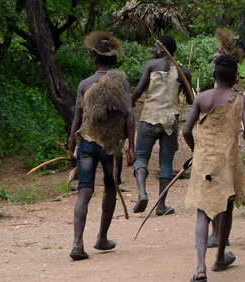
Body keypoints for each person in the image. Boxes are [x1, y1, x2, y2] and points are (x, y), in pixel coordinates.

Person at [183, 54, 245, 282]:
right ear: (235, 78)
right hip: (227, 161)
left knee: (202, 212)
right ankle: (221, 257)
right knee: (227, 208)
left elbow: (186, 131)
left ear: (214, 75)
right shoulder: (241, 99)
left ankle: (200, 267)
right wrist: (244, 133)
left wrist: (196, 152)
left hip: (204, 160)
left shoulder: (201, 98)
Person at [68, 31, 135, 261]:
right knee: (110, 187)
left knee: (84, 192)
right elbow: (129, 116)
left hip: (86, 143)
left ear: (94, 59)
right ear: (114, 61)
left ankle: (77, 243)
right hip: (110, 147)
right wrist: (131, 146)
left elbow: (77, 119)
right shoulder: (122, 83)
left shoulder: (84, 84)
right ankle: (102, 238)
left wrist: (70, 145)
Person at [130, 35, 194, 215]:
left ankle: (142, 193)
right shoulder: (183, 71)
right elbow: (191, 100)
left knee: (141, 157)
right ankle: (161, 205)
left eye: (155, 47)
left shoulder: (151, 65)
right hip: (170, 121)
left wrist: (130, 103)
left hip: (149, 118)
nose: (152, 50)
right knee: (166, 161)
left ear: (162, 48)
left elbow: (138, 90)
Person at [208, 28, 245, 246]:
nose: (215, 55)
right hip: (220, 145)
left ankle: (217, 236)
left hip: (222, 146)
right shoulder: (222, 79)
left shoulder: (234, 87)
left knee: (221, 192)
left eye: (219, 51)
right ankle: (218, 236)